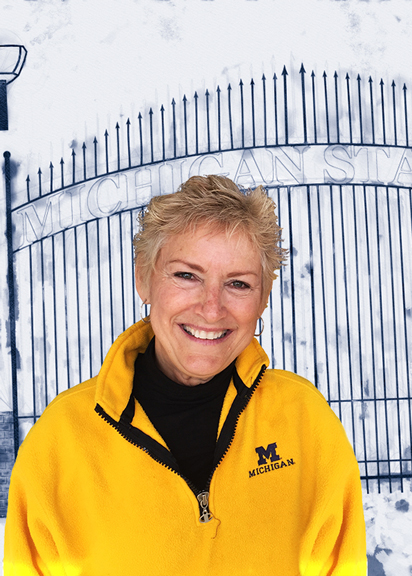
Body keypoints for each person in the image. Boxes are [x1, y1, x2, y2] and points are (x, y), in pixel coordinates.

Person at [4, 175, 367, 575]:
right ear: (144, 278)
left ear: (263, 298)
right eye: (186, 275)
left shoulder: (306, 422)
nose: (212, 309)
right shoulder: (61, 439)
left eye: (238, 284)